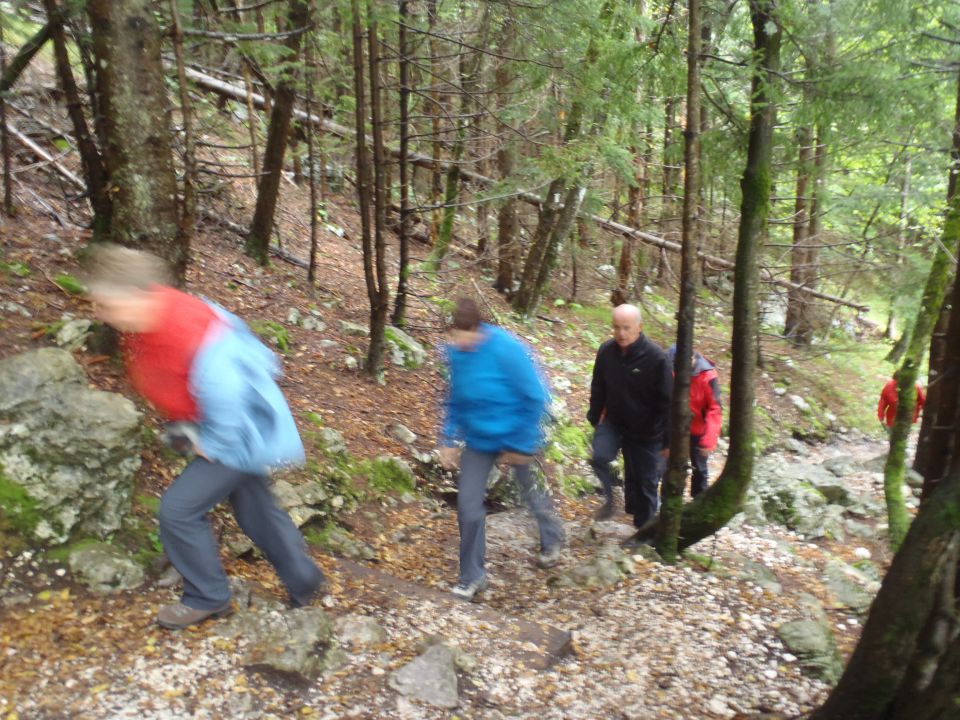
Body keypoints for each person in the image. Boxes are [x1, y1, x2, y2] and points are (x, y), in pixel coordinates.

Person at [84, 244, 326, 630]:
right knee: (255, 508)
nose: (101, 314)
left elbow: (228, 397)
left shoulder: (187, 329)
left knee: (178, 510)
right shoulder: (150, 318)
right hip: (220, 427)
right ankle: (306, 581)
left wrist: (210, 444)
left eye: (108, 305)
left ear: (138, 296)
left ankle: (207, 596)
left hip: (239, 433)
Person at [438, 298, 564, 601]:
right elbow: (454, 399)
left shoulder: (507, 348)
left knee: (530, 492)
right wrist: (449, 439)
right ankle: (473, 576)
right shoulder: (456, 354)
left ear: (476, 330)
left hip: (516, 433)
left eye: (463, 337)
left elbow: (536, 396)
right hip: (479, 440)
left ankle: (552, 538)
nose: (458, 344)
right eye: (454, 337)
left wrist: (523, 444)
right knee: (468, 506)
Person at [587, 304, 672, 528]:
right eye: (616, 328)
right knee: (599, 457)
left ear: (639, 327)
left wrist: (668, 440)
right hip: (615, 422)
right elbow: (598, 387)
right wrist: (595, 418)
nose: (621, 334)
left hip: (647, 430)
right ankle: (610, 499)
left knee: (646, 481)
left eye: (626, 328)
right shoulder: (606, 351)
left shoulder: (656, 358)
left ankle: (644, 530)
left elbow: (669, 402)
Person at [667, 346, 722, 497]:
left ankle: (698, 501)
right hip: (675, 429)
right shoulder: (670, 370)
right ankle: (669, 502)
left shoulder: (707, 376)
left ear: (693, 358)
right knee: (670, 467)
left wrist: (709, 441)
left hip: (698, 430)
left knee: (699, 469)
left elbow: (715, 409)